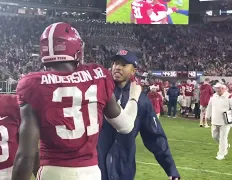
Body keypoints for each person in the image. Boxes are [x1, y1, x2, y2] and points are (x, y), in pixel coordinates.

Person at [12, 22, 141, 180]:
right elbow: (126, 126)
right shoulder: (98, 75)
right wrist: (134, 96)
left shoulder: (32, 84)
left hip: (52, 171)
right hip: (90, 173)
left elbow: (26, 155)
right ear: (77, 50)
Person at [98, 50, 180, 180]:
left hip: (124, 168)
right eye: (115, 63)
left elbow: (155, 136)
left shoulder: (142, 100)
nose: (118, 67)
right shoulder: (98, 92)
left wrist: (171, 169)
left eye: (124, 64)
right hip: (94, 166)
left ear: (133, 71)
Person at [205, 82, 231, 160]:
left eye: (218, 88)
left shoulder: (229, 97)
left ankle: (221, 154)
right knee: (215, 136)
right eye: (216, 88)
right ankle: (225, 146)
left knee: (223, 137)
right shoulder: (214, 96)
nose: (217, 89)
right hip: (215, 119)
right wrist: (207, 115)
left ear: (223, 88)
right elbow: (209, 106)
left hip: (225, 121)